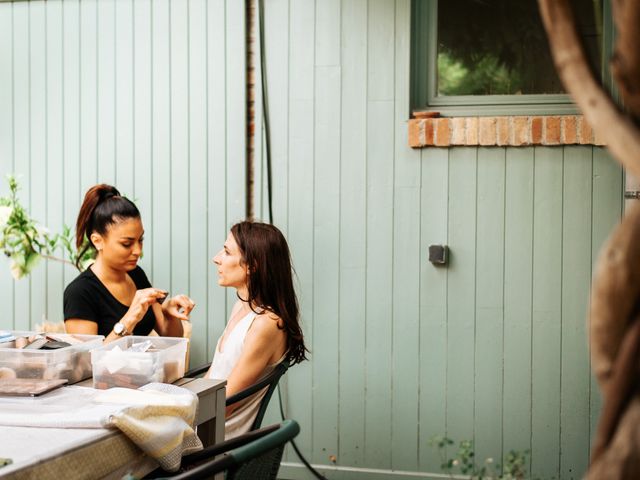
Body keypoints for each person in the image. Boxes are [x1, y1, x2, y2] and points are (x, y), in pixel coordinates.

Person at [206, 221, 307, 438]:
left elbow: (224, 405)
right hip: (203, 425)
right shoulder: (242, 307)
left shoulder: (266, 323)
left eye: (226, 252)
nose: (216, 258)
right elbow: (213, 378)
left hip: (214, 441)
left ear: (252, 265)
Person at [64, 184, 195, 343]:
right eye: (127, 244)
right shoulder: (79, 292)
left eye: (140, 240)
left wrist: (169, 315)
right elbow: (85, 362)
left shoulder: (136, 274)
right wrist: (129, 320)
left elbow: (171, 337)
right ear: (97, 241)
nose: (137, 250)